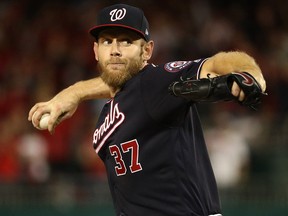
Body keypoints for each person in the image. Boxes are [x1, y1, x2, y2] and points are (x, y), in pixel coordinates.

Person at [28, 4, 266, 216]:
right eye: (107, 41)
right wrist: (74, 92)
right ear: (95, 50)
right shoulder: (113, 105)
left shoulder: (157, 81)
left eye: (126, 41)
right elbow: (117, 84)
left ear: (147, 51)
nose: (115, 50)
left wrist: (250, 72)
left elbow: (216, 63)